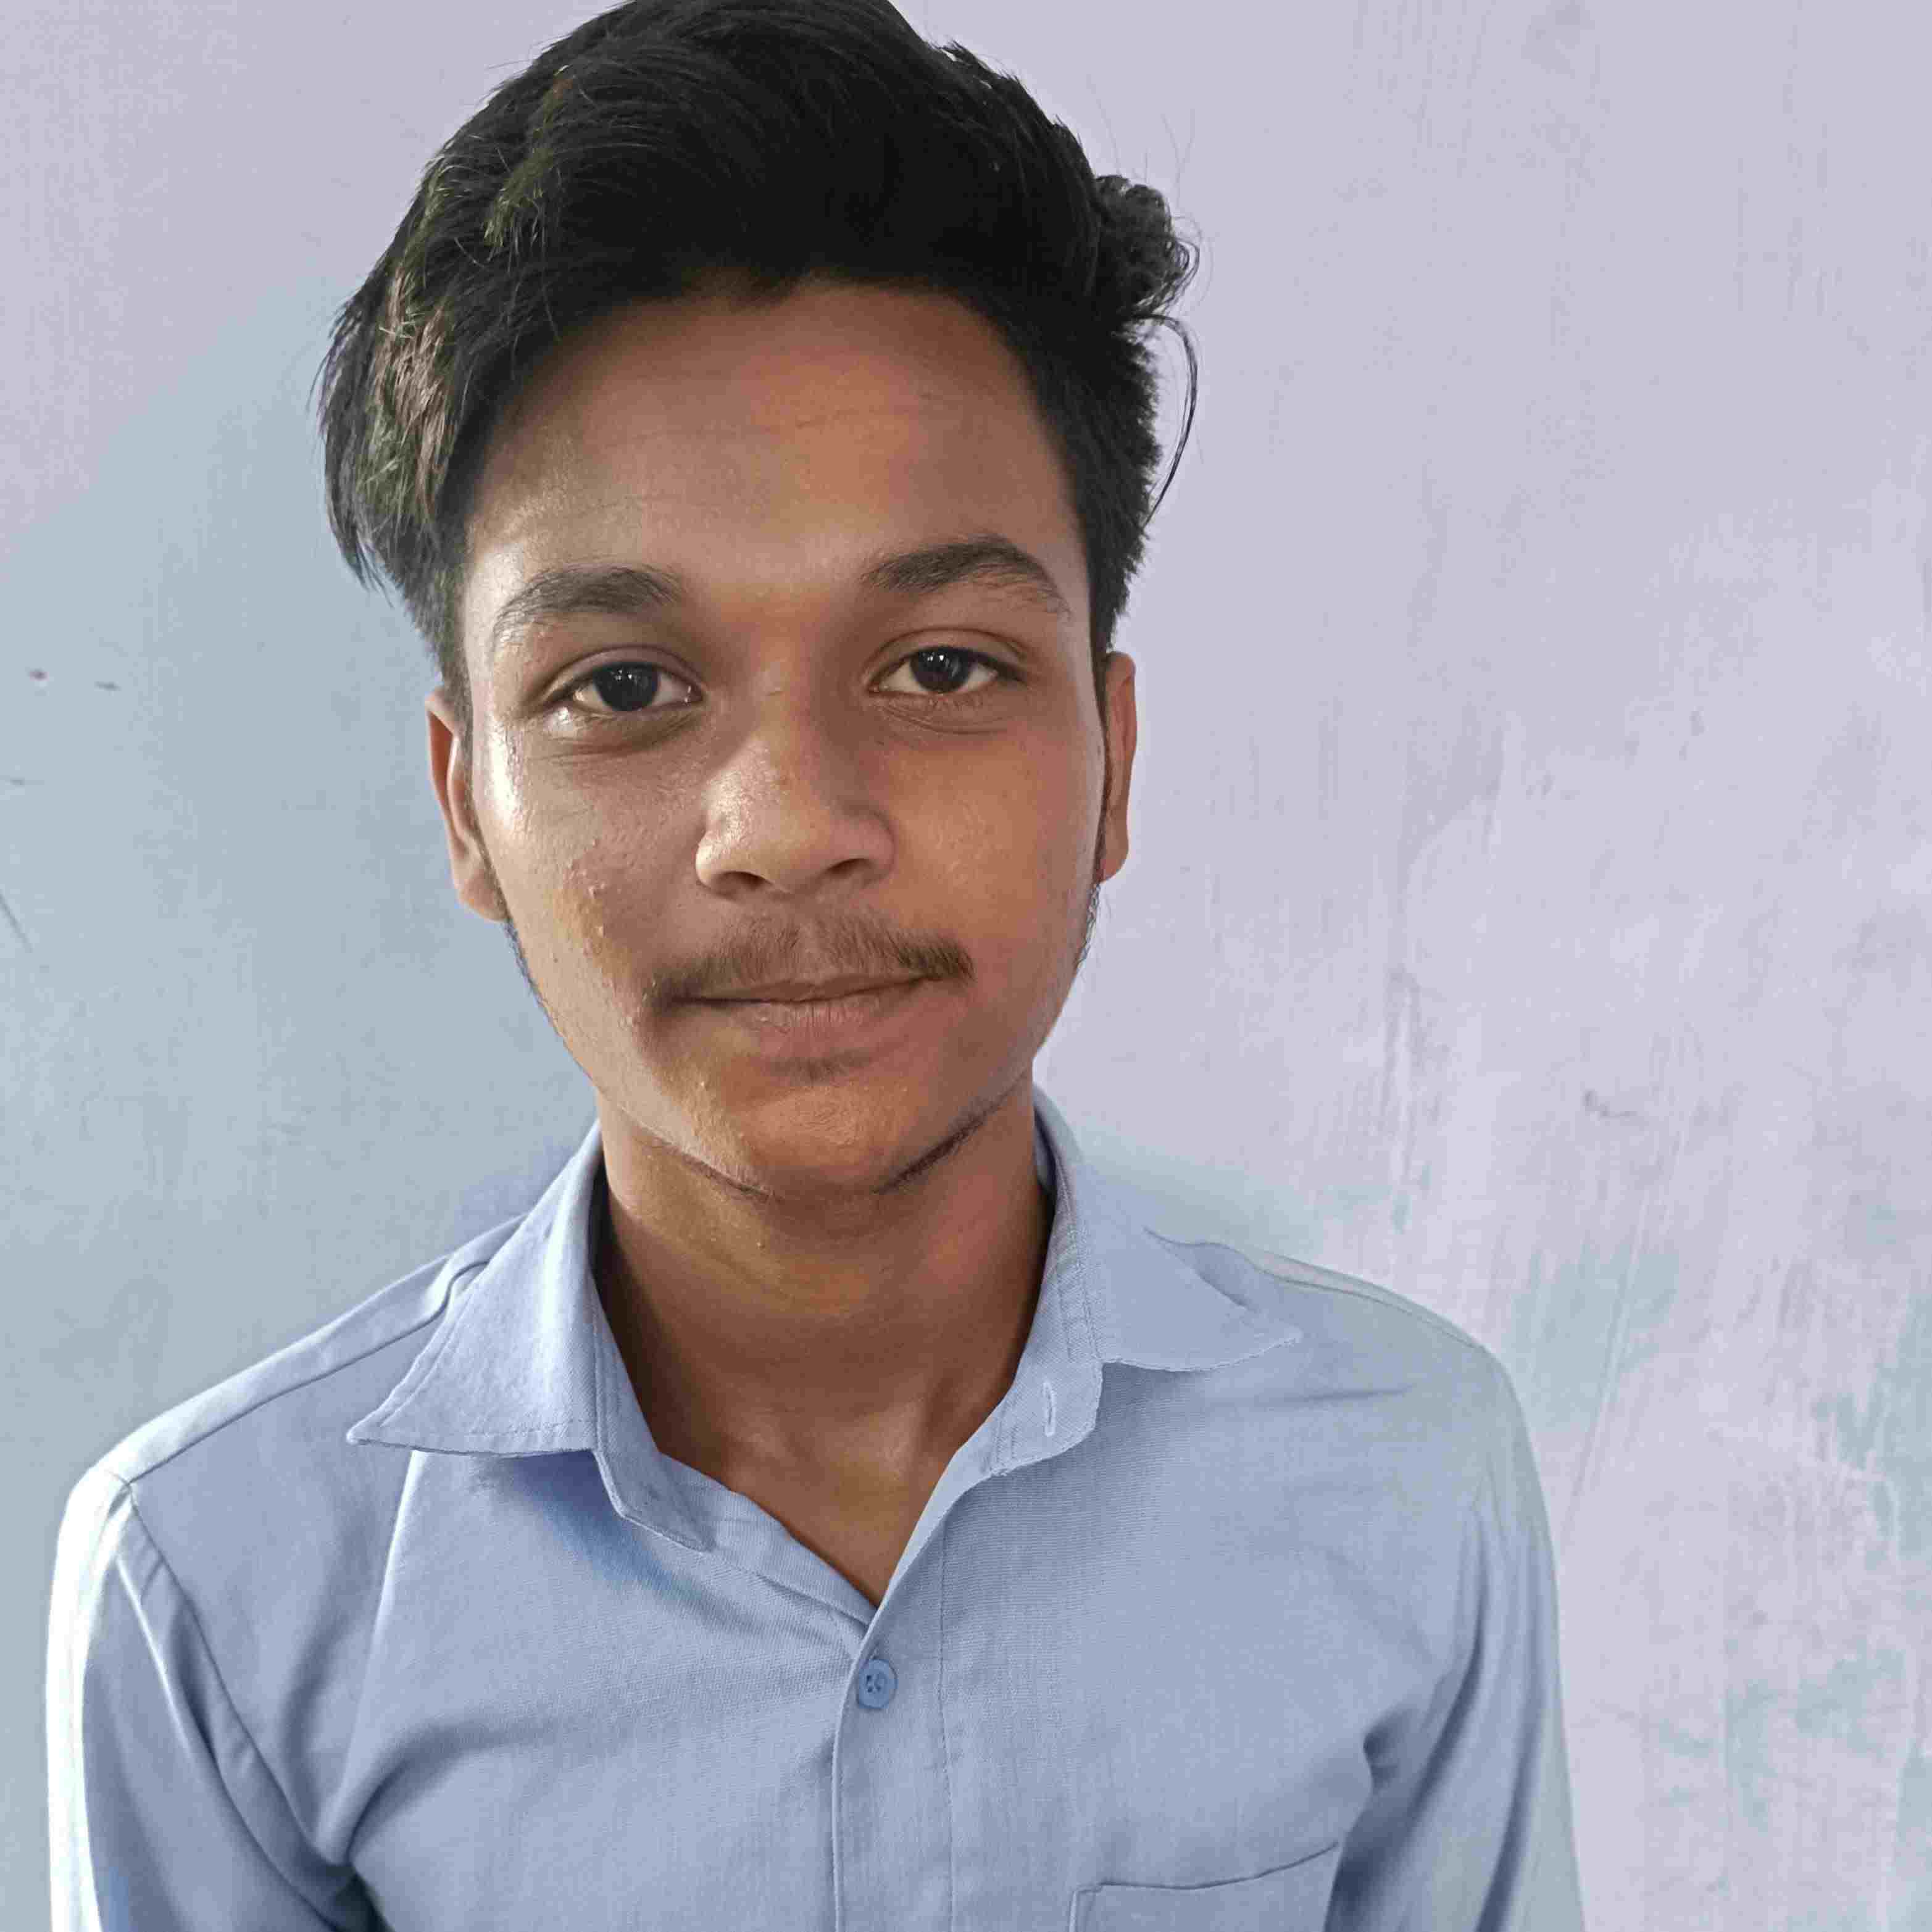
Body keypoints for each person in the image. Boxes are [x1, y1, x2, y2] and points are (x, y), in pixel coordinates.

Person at [46, 2, 1584, 1925]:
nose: (785, 820)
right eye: (623, 686)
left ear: (1112, 760)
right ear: (466, 805)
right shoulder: (216, 1579)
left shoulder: (1406, 1473)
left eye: (938, 666)